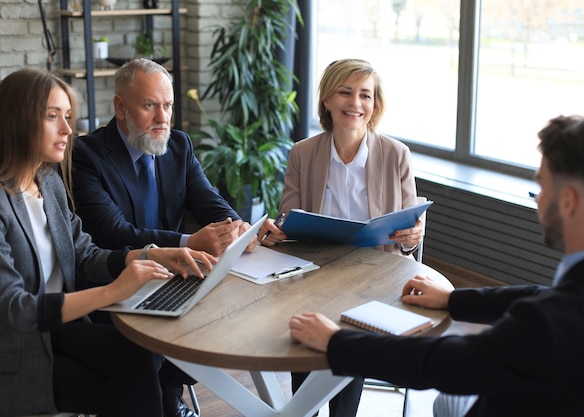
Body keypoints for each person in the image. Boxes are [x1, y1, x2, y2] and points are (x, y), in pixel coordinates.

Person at [289, 113, 584, 417]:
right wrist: (453, 300)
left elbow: (439, 362)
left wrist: (336, 342)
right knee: (447, 405)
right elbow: (544, 295)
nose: (538, 200)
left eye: (541, 186)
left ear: (568, 201)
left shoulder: (550, 324)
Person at [0, 67, 216, 417]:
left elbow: (83, 253)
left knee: (140, 356)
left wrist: (147, 256)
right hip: (18, 352)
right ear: (16, 120)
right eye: (52, 116)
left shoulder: (48, 182)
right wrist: (114, 291)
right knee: (124, 387)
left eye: (68, 116)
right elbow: (15, 310)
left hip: (60, 331)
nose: (67, 129)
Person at [71, 58, 256, 417]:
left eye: (168, 105)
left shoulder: (178, 146)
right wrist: (188, 243)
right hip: (119, 284)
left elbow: (211, 203)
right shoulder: (87, 155)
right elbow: (114, 232)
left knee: (231, 311)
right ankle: (162, 401)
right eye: (150, 105)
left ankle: (170, 394)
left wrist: (238, 227)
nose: (163, 118)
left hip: (173, 281)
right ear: (121, 107)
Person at [260, 58, 425, 416]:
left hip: (377, 273)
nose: (356, 103)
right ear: (327, 101)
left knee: (351, 333)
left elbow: (409, 237)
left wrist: (413, 235)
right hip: (315, 269)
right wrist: (276, 232)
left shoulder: (397, 155)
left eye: (365, 95)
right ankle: (305, 410)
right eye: (345, 92)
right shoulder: (303, 153)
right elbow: (289, 225)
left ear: (375, 105)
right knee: (306, 326)